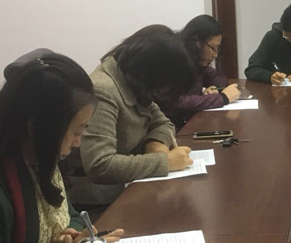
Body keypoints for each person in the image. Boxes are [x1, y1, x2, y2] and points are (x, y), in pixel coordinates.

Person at [0, 51, 123, 243]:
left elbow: (70, 214)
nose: (78, 142)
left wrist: (69, 237)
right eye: (76, 132)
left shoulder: (41, 162)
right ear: (36, 126)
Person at [68, 25, 196, 214]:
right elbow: (100, 164)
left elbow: (163, 123)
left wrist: (156, 143)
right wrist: (165, 162)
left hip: (129, 189)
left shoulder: (132, 82)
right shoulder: (103, 90)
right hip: (99, 205)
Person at [157, 15, 241, 129]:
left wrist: (214, 88)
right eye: (213, 48)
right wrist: (223, 98)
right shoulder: (174, 58)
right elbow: (177, 102)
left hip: (186, 123)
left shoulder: (196, 61)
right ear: (197, 43)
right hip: (167, 127)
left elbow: (217, 76)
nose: (215, 54)